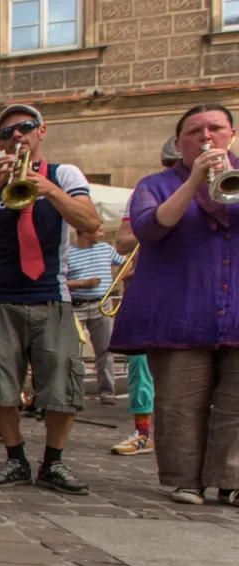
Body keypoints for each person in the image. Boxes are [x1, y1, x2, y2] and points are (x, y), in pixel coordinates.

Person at [0, 103, 102, 495]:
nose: (17, 136)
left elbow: (90, 222)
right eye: (7, 133)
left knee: (61, 383)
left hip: (52, 295)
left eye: (25, 127)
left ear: (41, 131)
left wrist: (49, 190)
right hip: (0, 297)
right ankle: (15, 457)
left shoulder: (64, 175)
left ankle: (53, 462)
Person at [112, 104, 239, 505]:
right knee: (180, 401)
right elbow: (149, 228)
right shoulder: (156, 184)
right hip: (179, 311)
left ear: (232, 135)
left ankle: (232, 479)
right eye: (194, 131)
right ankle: (186, 480)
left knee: (237, 402)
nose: (206, 136)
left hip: (235, 305)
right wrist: (195, 181)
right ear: (179, 142)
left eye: (215, 128)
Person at [109, 137, 178, 457]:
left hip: (201, 291)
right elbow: (123, 241)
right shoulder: (149, 191)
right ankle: (143, 432)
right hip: (153, 289)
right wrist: (162, 220)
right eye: (171, 164)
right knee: (141, 364)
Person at [66, 228, 127, 404]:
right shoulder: (68, 252)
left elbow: (126, 262)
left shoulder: (106, 249)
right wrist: (81, 283)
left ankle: (107, 391)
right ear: (86, 232)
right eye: (99, 230)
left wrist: (117, 279)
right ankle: (72, 393)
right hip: (76, 306)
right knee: (71, 351)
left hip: (101, 305)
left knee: (105, 349)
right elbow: (59, 279)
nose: (102, 234)